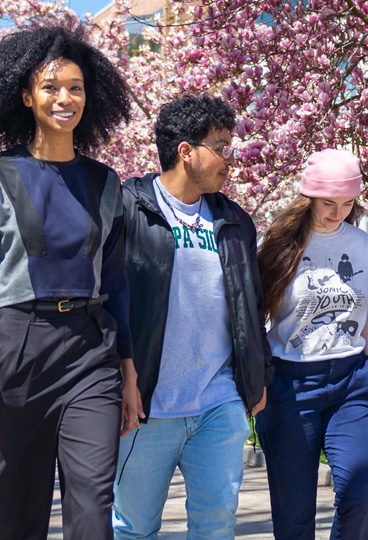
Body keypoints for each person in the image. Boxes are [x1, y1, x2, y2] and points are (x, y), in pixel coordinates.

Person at [0, 23, 136, 540]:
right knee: (2, 503)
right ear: (25, 94)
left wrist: (127, 371)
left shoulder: (107, 183)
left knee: (92, 500)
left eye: (76, 87)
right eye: (51, 86)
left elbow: (118, 284)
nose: (65, 98)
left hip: (91, 351)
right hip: (18, 347)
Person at [110, 94, 269, 540]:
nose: (229, 159)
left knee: (216, 524)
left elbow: (248, 305)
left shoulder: (235, 221)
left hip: (218, 403)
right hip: (147, 404)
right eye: (220, 146)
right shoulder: (126, 209)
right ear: (186, 151)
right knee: (135, 528)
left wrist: (256, 379)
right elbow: (108, 303)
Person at [254, 149, 368, 540]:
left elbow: (364, 310)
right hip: (290, 385)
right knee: (294, 514)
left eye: (347, 203)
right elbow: (254, 316)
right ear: (307, 198)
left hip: (351, 381)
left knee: (363, 492)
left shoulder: (360, 243)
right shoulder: (274, 246)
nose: (338, 213)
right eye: (329, 203)